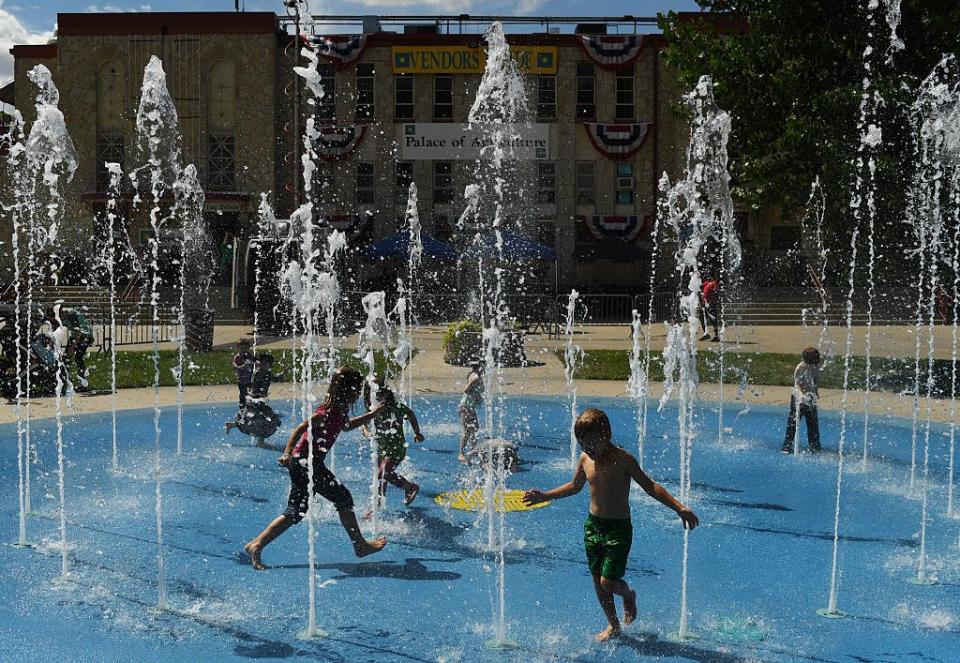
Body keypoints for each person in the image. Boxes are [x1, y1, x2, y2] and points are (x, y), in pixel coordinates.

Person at [523, 408, 699, 642]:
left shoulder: (623, 459)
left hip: (618, 529)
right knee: (598, 580)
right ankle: (613, 624)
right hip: (593, 527)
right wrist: (546, 495)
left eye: (592, 444)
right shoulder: (585, 459)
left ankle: (627, 593)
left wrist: (679, 507)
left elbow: (650, 486)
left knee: (609, 581)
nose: (588, 450)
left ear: (606, 435)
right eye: (583, 445)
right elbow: (575, 486)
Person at [243, 366, 387, 570]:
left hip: (306, 463)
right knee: (342, 497)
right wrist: (287, 452)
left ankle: (256, 544)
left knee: (297, 511)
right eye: (356, 389)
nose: (358, 393)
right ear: (349, 390)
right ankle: (360, 545)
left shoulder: (339, 410)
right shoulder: (325, 411)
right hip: (303, 462)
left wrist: (372, 415)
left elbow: (346, 426)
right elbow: (300, 428)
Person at [361, 382, 425, 517]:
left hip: (396, 448)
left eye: (381, 395)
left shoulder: (396, 408)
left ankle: (409, 487)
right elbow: (364, 425)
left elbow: (411, 414)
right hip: (381, 448)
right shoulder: (372, 409)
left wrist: (417, 432)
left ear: (387, 395)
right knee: (382, 478)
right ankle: (378, 504)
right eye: (375, 395)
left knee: (383, 473)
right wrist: (367, 433)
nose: (378, 398)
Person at [225, 353, 283, 448]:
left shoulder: (267, 373)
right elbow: (256, 388)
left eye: (269, 364)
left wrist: (282, 374)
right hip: (255, 401)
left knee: (255, 420)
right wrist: (260, 398)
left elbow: (274, 378)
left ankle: (232, 425)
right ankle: (261, 442)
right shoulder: (257, 373)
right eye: (265, 363)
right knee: (270, 421)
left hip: (259, 402)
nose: (268, 366)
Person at [46, 304, 94, 391]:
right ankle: (64, 381)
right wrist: (50, 345)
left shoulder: (71, 314)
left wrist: (72, 347)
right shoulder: (60, 318)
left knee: (78, 358)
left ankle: (84, 384)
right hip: (76, 336)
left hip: (85, 336)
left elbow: (79, 332)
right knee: (65, 358)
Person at [782, 347, 821, 453]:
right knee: (794, 421)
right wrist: (801, 396)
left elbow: (815, 380)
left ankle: (814, 446)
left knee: (812, 422)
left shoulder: (816, 366)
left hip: (810, 396)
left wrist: (816, 392)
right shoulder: (800, 367)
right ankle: (787, 445)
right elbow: (797, 384)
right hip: (798, 397)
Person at [458, 362, 484, 463]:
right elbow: (466, 390)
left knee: (474, 428)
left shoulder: (475, 375)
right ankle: (461, 454)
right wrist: (474, 394)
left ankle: (474, 449)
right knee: (467, 430)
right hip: (466, 407)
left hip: (470, 407)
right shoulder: (475, 377)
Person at [232, 339, 254, 408]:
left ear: (248, 348)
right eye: (241, 348)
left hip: (250, 380)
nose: (244, 350)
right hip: (242, 381)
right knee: (243, 394)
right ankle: (242, 407)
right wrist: (243, 366)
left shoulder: (250, 357)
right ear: (238, 349)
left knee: (251, 394)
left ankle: (250, 407)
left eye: (245, 348)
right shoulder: (237, 358)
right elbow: (235, 367)